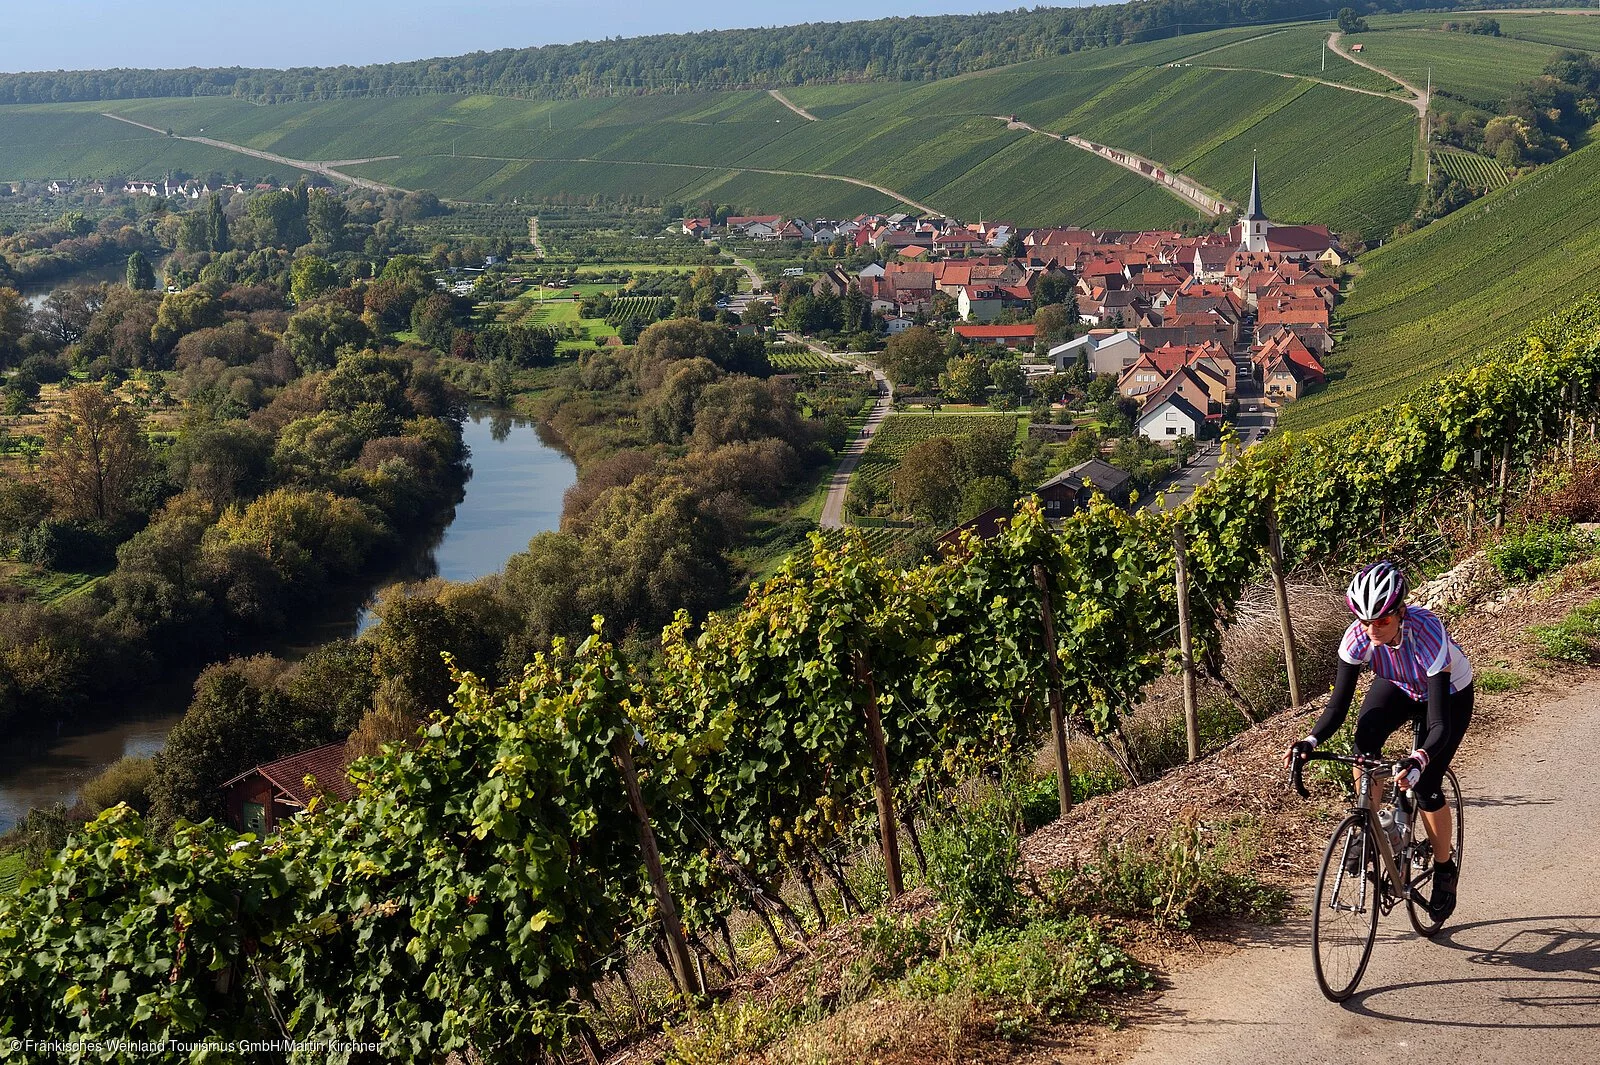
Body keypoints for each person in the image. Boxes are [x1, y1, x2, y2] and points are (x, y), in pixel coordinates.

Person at [1284, 560, 1473, 921]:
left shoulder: (1428, 632)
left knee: (1427, 783)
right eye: (1365, 621)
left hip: (1447, 693)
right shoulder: (1357, 639)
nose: (1373, 629)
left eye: (1382, 621)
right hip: (1400, 685)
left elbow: (1437, 723)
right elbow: (1337, 707)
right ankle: (1369, 826)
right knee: (1364, 741)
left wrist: (1419, 759)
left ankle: (1445, 869)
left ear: (1400, 613)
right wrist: (1309, 740)